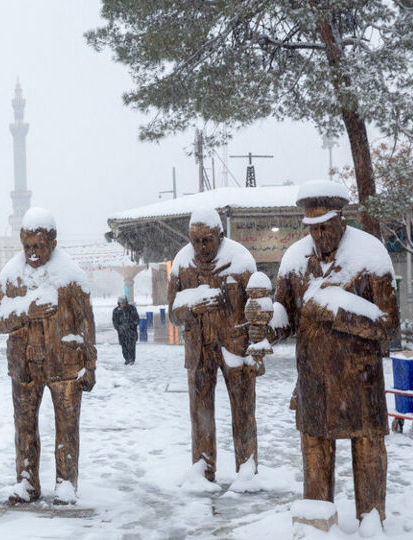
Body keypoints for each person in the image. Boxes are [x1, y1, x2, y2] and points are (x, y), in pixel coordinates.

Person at [255, 181, 398, 526]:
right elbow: (286, 313)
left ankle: (372, 525)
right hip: (315, 384)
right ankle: (319, 528)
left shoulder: (370, 255)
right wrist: (267, 327)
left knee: (367, 458)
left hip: (361, 386)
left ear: (341, 221)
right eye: (313, 229)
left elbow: (390, 324)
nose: (319, 235)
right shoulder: (294, 260)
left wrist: (338, 311)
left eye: (326, 227)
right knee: (316, 466)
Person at [0, 207, 96, 505]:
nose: (33, 253)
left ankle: (66, 483)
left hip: (64, 365)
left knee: (67, 428)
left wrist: (90, 365)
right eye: (27, 247)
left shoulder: (71, 277)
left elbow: (86, 324)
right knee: (24, 428)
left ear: (52, 242)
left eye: (39, 246)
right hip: (24, 367)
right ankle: (27, 481)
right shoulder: (11, 276)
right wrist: (27, 311)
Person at [167, 207, 259, 482]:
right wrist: (192, 305)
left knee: (243, 411)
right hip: (198, 350)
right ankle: (203, 468)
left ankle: (247, 468)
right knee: (200, 414)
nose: (200, 246)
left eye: (206, 240)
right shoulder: (182, 263)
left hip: (235, 348)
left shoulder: (241, 261)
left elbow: (257, 308)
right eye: (195, 240)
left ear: (220, 234)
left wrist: (256, 347)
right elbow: (172, 311)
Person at [112, 296, 140, 365]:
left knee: (132, 347)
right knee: (124, 347)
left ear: (126, 302)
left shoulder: (132, 308)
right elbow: (115, 322)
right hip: (122, 333)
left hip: (131, 332)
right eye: (121, 303)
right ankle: (127, 359)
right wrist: (120, 328)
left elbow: (136, 319)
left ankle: (132, 359)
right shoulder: (116, 311)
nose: (122, 304)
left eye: (123, 302)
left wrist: (131, 326)